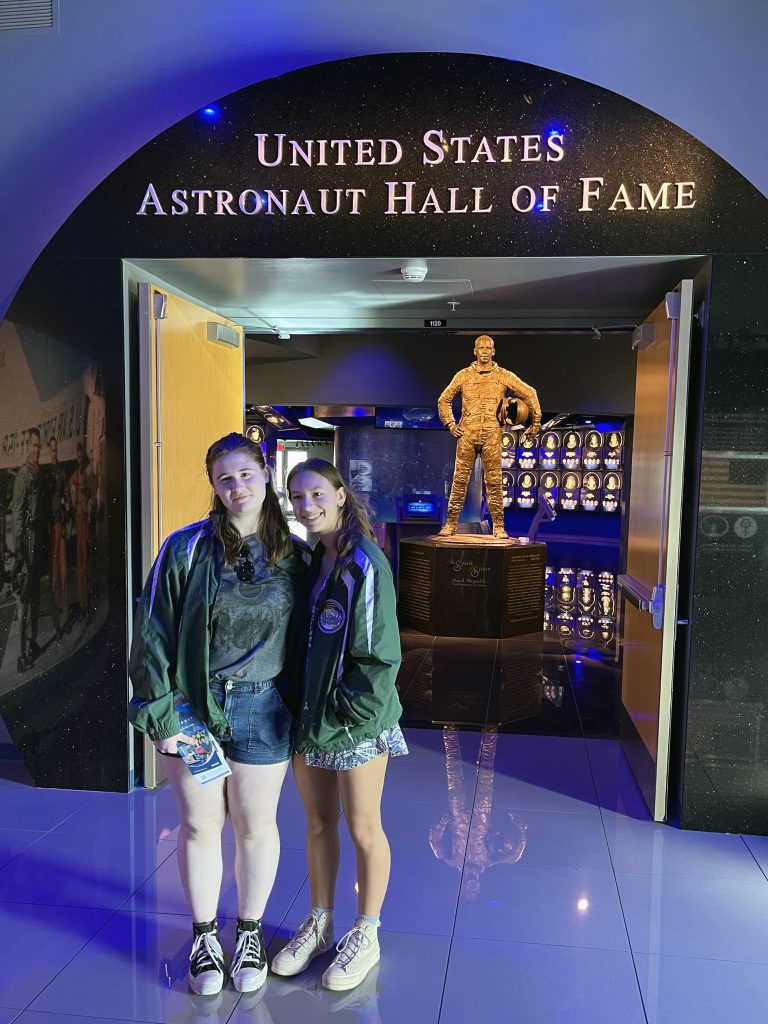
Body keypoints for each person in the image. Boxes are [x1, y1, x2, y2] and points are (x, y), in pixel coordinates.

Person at [129, 432, 309, 996]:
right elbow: (153, 631)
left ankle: (249, 931)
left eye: (246, 475)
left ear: (266, 476)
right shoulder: (184, 549)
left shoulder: (297, 555)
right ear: (213, 486)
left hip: (266, 708)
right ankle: (206, 935)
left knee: (257, 827)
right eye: (225, 479)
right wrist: (159, 717)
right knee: (201, 825)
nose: (237, 488)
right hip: (195, 708)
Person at [272, 458, 406, 992]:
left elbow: (379, 660)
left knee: (362, 828)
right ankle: (321, 921)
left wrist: (344, 717)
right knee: (318, 824)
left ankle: (366, 933)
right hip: (310, 720)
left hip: (354, 725)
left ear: (341, 494)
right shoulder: (311, 562)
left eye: (316, 494)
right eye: (297, 498)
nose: (308, 507)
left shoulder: (364, 564)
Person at [437, 334, 542, 538]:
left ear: (493, 351)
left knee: (494, 481)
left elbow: (530, 393)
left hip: (492, 434)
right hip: (467, 433)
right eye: (481, 348)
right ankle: (450, 524)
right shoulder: (463, 376)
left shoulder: (503, 376)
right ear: (475, 351)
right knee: (459, 480)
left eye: (488, 348)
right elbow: (444, 400)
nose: (484, 351)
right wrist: (450, 424)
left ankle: (500, 527)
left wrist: (536, 422)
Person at [11, 428, 43, 671]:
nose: (36, 450)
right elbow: (18, 511)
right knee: (24, 600)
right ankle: (22, 656)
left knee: (35, 596)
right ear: (26, 447)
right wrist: (20, 551)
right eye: (33, 445)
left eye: (38, 446)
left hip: (36, 539)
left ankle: (32, 643)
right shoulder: (23, 474)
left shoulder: (36, 472)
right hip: (26, 543)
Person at [46, 435, 69, 639]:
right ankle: (57, 625)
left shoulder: (60, 473)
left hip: (60, 526)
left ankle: (63, 617)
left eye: (56, 450)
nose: (54, 454)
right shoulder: (47, 476)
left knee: (63, 575)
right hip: (51, 529)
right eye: (51, 451)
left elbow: (64, 496)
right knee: (54, 579)